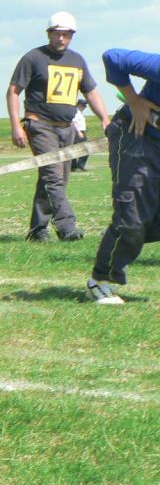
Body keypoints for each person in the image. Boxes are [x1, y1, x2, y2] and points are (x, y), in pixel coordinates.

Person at [6, 12, 110, 241]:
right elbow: (13, 91)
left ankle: (37, 230)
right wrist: (16, 125)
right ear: (49, 33)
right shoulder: (33, 57)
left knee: (56, 179)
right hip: (40, 126)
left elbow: (91, 91)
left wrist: (104, 117)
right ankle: (67, 227)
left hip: (67, 127)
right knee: (53, 177)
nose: (61, 39)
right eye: (57, 34)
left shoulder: (77, 60)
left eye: (66, 34)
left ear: (72, 36)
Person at [86, 48, 160, 305]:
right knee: (132, 217)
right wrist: (134, 100)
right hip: (136, 137)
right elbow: (113, 57)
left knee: (148, 219)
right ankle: (100, 281)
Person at [70, 99, 89, 171]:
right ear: (79, 105)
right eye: (84, 105)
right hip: (77, 133)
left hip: (81, 132)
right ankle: (76, 166)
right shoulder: (76, 112)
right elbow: (73, 123)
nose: (85, 107)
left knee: (84, 149)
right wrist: (79, 132)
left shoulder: (79, 112)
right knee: (84, 149)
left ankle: (77, 166)